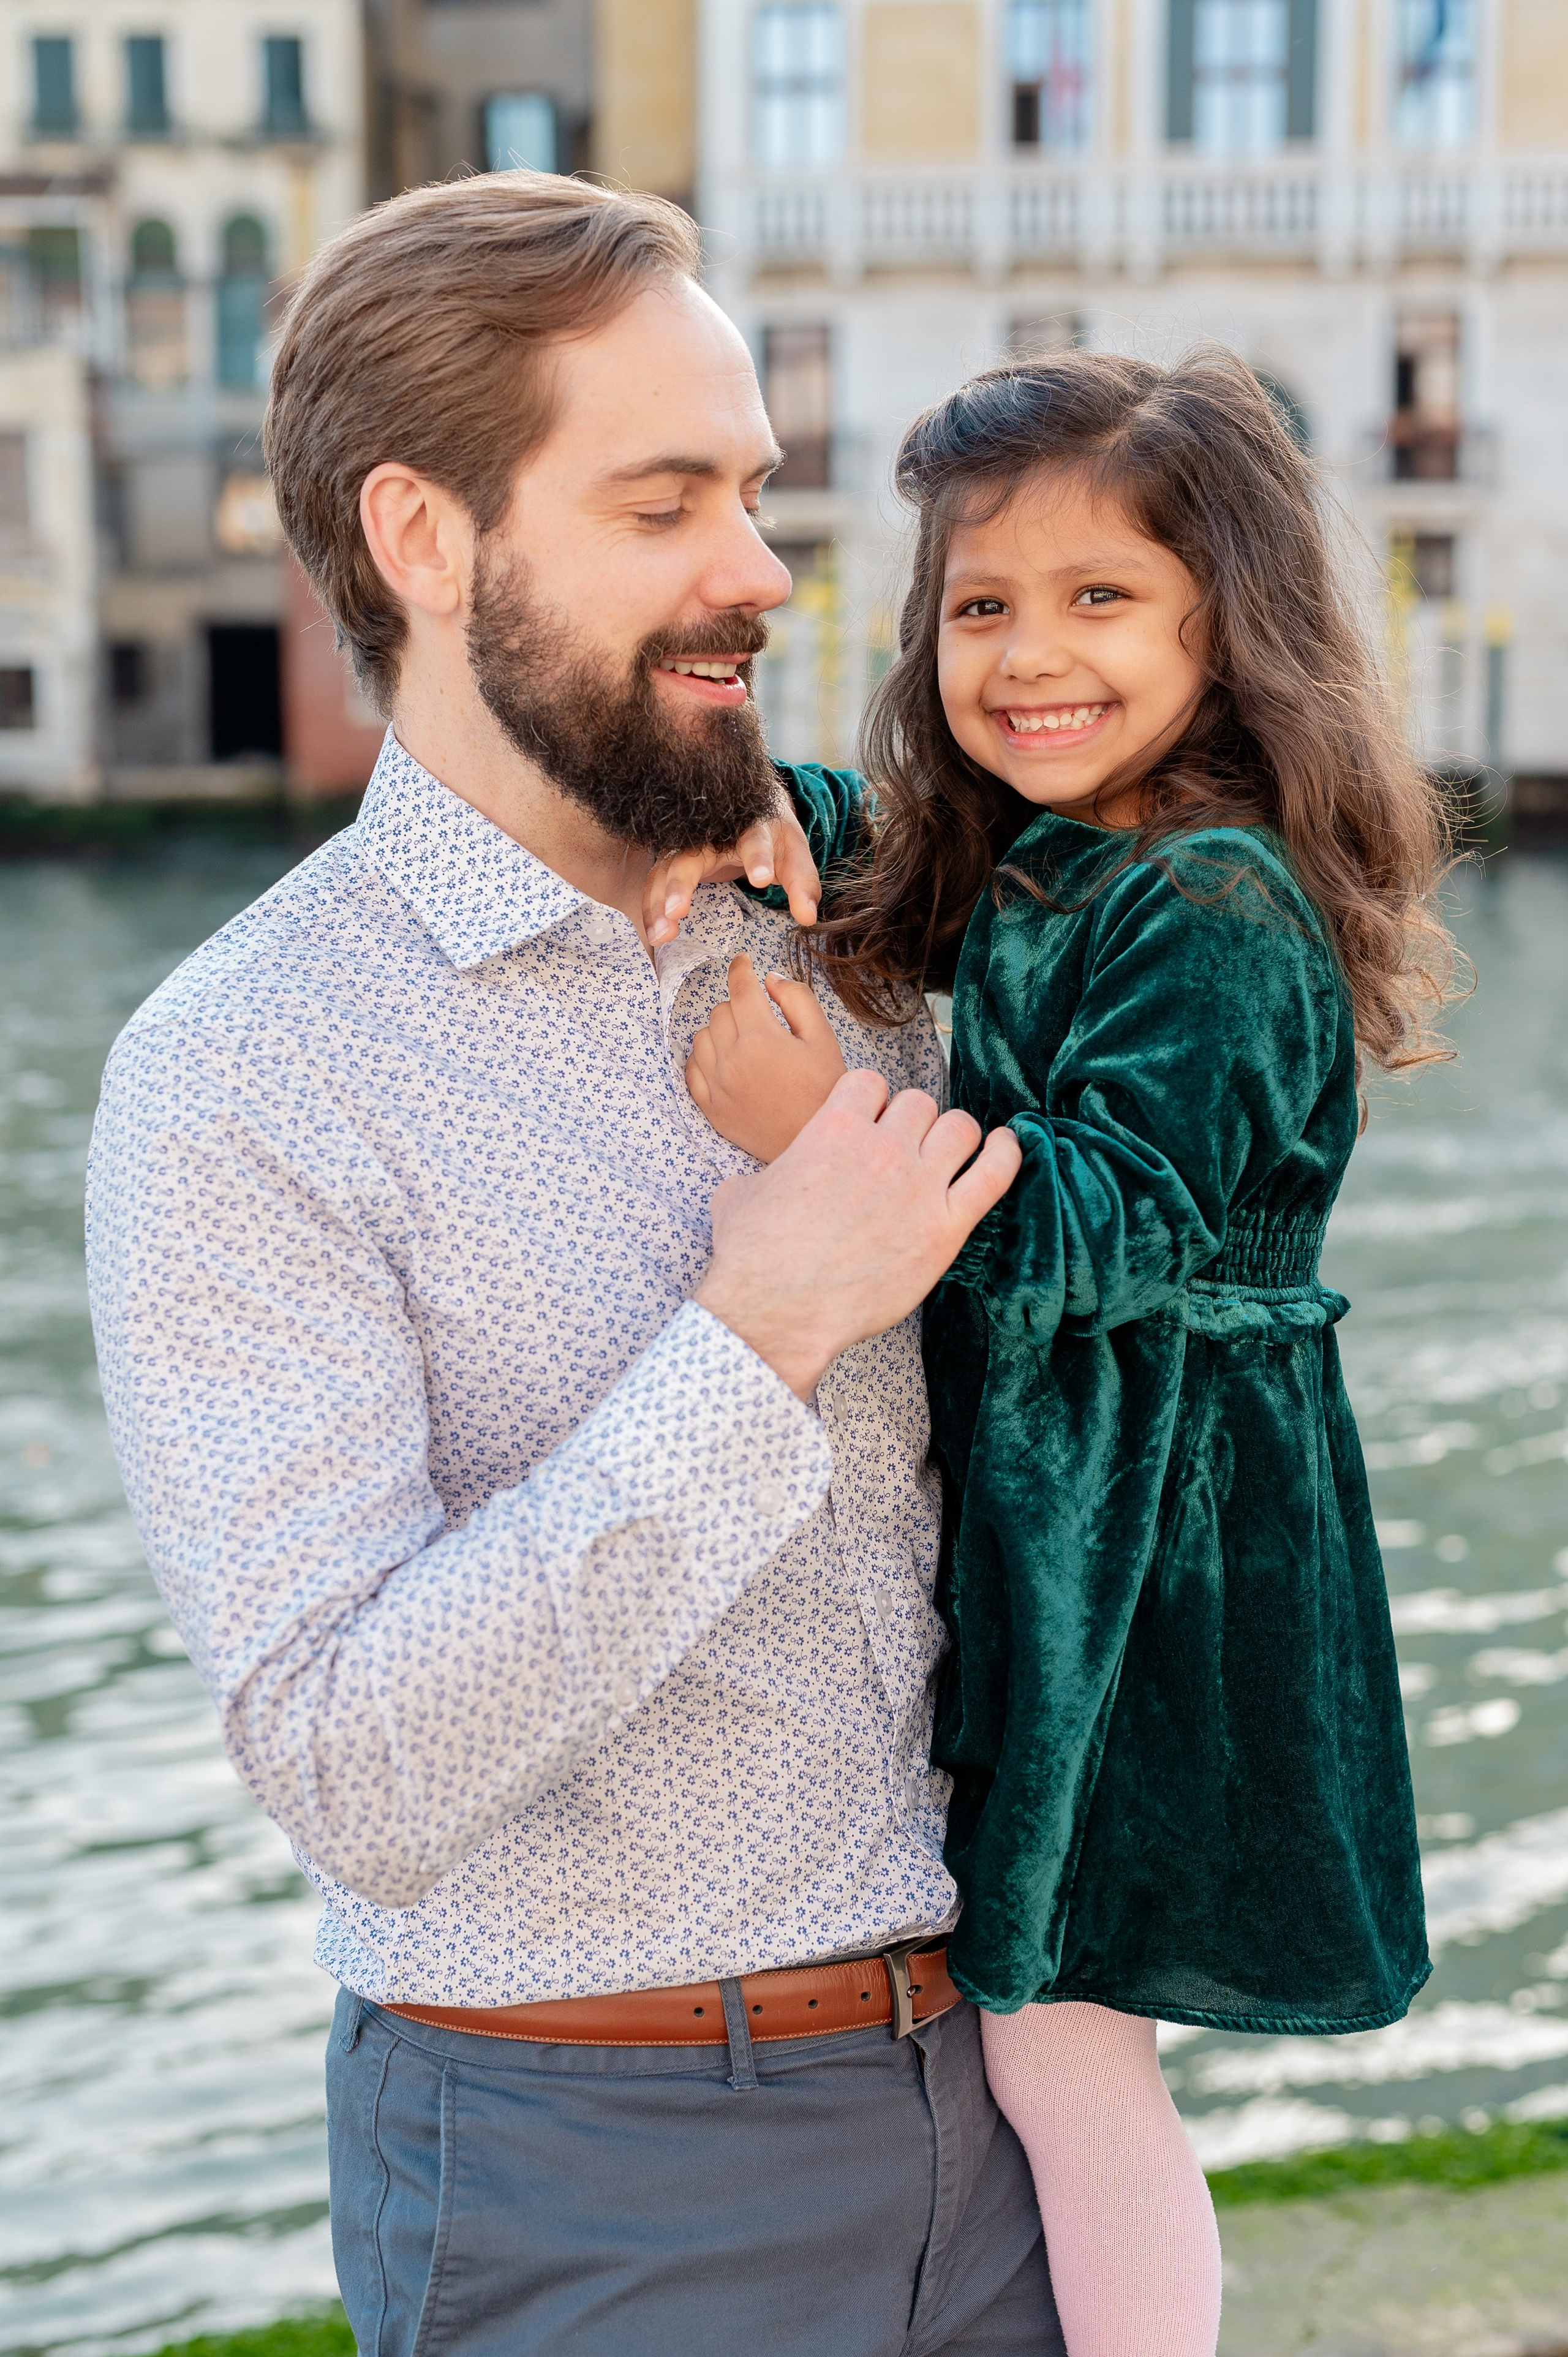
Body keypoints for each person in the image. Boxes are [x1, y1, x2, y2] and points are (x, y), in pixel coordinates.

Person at [83, 173, 1062, 2357]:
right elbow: (354, 1766)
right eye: (660, 505)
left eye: (752, 488)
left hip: (1005, 2112)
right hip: (590, 2174)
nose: (757, 569)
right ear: (425, 540)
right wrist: (768, 1319)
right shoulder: (242, 1074)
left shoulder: (863, 928)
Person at [674, 349, 1447, 2357]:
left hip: (1172, 1547)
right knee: (1047, 2024)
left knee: (1066, 2038)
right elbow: (922, 883)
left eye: (1101, 600)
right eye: (982, 606)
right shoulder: (1068, 845)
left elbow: (1115, 1224)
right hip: (1077, 1515)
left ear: (1231, 626)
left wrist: (812, 1144)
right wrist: (788, 812)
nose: (1031, 655)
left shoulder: (1218, 896)